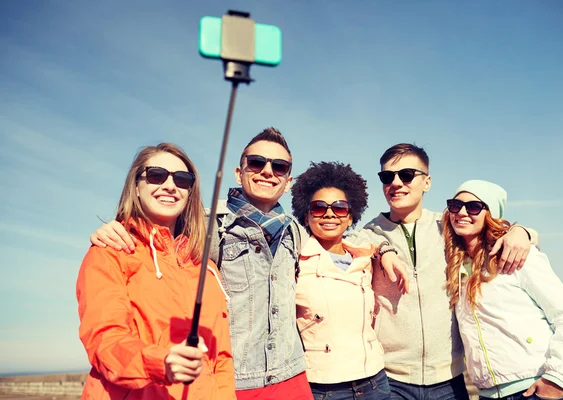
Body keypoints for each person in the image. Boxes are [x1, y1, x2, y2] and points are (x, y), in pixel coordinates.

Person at [88, 129, 407, 399]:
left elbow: (347, 241)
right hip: (237, 380)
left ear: (287, 180)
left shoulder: (294, 231)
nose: (268, 170)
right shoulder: (207, 224)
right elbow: (159, 238)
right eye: (257, 163)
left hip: (293, 376)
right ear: (239, 173)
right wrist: (118, 227)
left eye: (279, 166)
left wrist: (384, 247)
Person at [350, 144, 536, 400]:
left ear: (427, 182)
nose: (396, 183)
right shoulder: (368, 234)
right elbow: (351, 244)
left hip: (448, 381)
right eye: (387, 176)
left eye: (406, 175)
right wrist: (384, 250)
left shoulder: (450, 226)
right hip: (390, 380)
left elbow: (495, 231)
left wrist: (522, 231)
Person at [76, 143, 235, 399]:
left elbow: (221, 360)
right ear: (136, 187)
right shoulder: (110, 251)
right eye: (156, 175)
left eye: (182, 180)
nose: (170, 186)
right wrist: (161, 362)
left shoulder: (206, 267)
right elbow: (105, 340)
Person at [443, 179, 563, 400]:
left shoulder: (517, 257)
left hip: (537, 390)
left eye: (473, 207)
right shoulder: (456, 267)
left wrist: (556, 378)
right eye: (455, 205)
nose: (462, 212)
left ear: (490, 214)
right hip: (489, 395)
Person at [292, 161, 405, 400]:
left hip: (375, 382)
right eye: (319, 207)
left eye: (340, 208)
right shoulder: (293, 260)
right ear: (306, 213)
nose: (330, 213)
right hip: (324, 387)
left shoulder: (365, 257)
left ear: (351, 214)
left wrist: (385, 250)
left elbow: (376, 238)